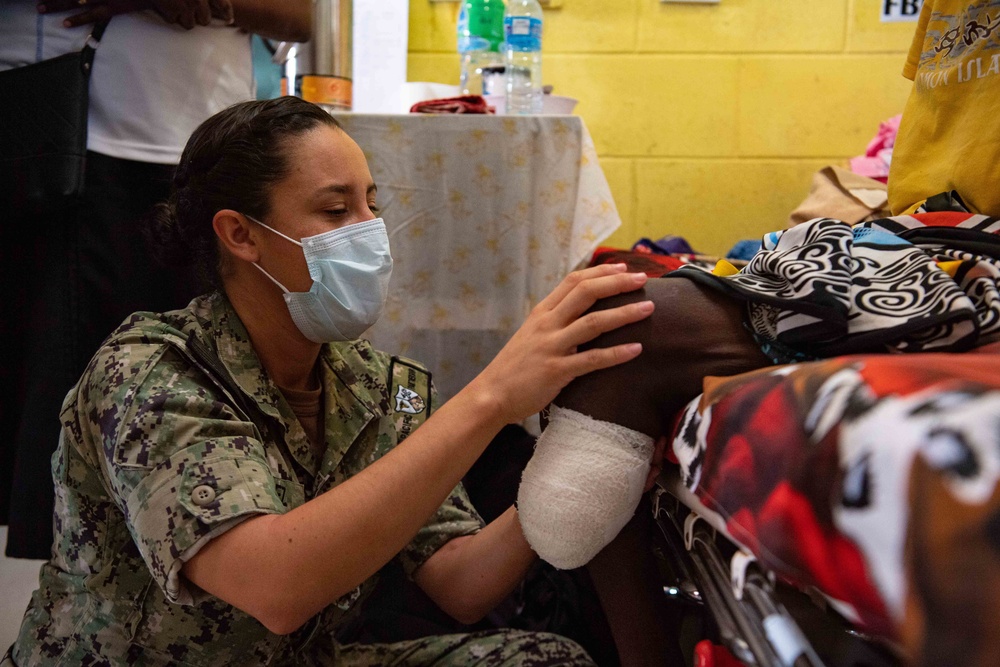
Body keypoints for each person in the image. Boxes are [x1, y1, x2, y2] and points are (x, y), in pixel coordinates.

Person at [3, 96, 655, 665]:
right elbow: (277, 587)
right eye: (335, 209)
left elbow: (462, 582)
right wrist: (491, 397)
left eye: (372, 204)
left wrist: (574, 461)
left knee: (546, 658)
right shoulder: (151, 374)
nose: (370, 233)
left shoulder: (379, 387)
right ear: (240, 234)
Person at [0, 0, 311, 559]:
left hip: (206, 148)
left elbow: (302, 16)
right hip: (65, 143)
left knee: (196, 400)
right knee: (60, 420)